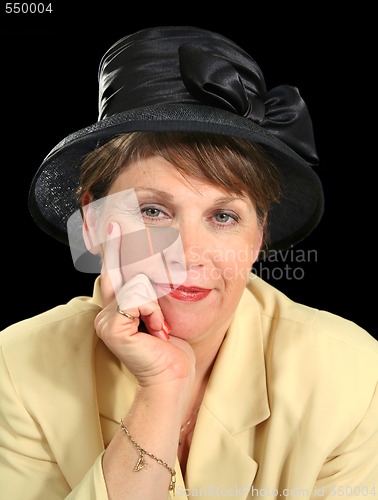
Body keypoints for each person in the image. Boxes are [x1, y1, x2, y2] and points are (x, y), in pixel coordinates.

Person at [0, 26, 377, 500]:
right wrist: (161, 390)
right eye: (153, 211)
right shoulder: (14, 367)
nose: (189, 254)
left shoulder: (350, 372)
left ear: (258, 235)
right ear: (92, 223)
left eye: (223, 216)